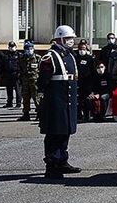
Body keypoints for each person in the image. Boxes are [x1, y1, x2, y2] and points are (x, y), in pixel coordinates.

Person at [37, 26, 82, 179]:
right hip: (55, 100)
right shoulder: (50, 57)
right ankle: (51, 165)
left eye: (72, 38)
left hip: (67, 100)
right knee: (54, 133)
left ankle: (62, 161)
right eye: (69, 38)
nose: (71, 41)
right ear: (60, 39)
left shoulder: (69, 55)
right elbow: (43, 81)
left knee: (65, 131)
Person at [17, 41, 42, 121]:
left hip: (35, 81)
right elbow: (20, 69)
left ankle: (39, 114)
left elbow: (41, 70)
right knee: (25, 98)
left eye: (31, 49)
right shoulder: (22, 59)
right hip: (25, 81)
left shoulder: (37, 58)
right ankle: (26, 114)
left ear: (33, 49)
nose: (29, 50)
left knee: (36, 98)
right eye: (27, 49)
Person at [75, 40, 96, 122]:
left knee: (86, 100)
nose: (82, 50)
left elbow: (93, 71)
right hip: (78, 82)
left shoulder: (89, 58)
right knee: (78, 101)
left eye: (83, 48)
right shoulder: (76, 57)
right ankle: (78, 116)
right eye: (80, 48)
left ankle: (87, 116)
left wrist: (91, 86)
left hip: (87, 83)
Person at [2, 41, 21, 108]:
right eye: (10, 47)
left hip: (16, 74)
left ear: (15, 47)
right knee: (9, 89)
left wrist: (19, 73)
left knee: (17, 89)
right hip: (8, 74)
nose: (11, 48)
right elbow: (3, 65)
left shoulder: (19, 55)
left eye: (13, 47)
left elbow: (21, 65)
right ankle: (9, 102)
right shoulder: (6, 55)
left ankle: (18, 103)